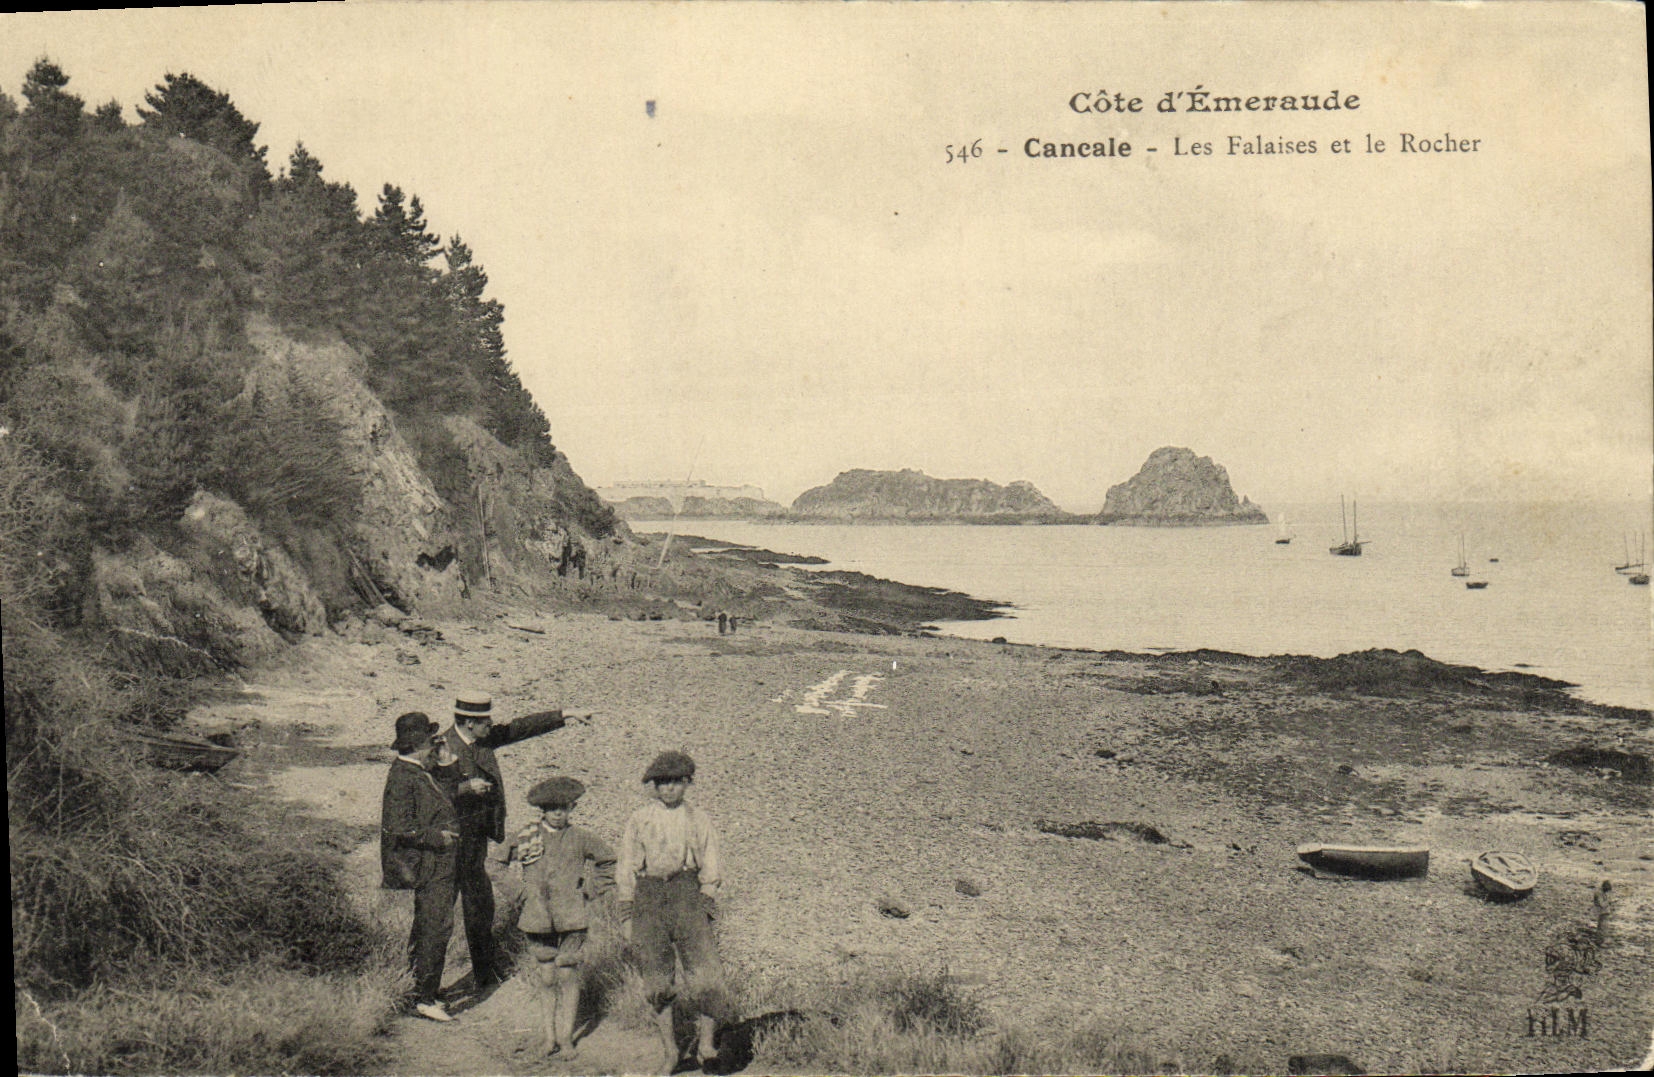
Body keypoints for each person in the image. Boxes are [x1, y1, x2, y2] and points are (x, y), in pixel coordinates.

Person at [433, 691, 591, 989]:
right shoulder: (440, 746)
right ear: (469, 723)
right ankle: (426, 986)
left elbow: (518, 728)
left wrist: (564, 714)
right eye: (485, 720)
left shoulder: (481, 739)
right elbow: (430, 793)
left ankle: (484, 974)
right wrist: (466, 788)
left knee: (480, 907)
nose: (491, 724)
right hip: (448, 844)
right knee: (441, 913)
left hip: (476, 840)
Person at [494, 776, 617, 1060]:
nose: (558, 813)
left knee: (568, 974)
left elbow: (609, 861)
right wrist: (518, 892)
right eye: (552, 808)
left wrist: (589, 889)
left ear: (572, 807)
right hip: (537, 917)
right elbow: (494, 863)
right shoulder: (526, 837)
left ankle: (566, 1038)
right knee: (547, 976)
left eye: (563, 807)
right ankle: (549, 1038)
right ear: (543, 810)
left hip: (572, 917)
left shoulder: (581, 837)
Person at [617, 750, 725, 1072]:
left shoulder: (698, 818)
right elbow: (626, 866)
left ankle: (706, 1044)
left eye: (675, 782)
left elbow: (711, 862)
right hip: (649, 897)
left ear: (687, 783)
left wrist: (706, 899)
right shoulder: (640, 819)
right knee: (656, 981)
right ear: (654, 786)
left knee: (706, 974)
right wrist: (627, 912)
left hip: (687, 893)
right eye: (661, 783)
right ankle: (671, 1052)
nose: (668, 789)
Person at [380, 712, 460, 1022]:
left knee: (432, 925)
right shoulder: (402, 777)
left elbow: (448, 797)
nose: (434, 748)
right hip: (427, 863)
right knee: (434, 927)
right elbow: (398, 826)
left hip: (436, 862)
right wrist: (437, 837)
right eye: (430, 743)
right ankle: (424, 998)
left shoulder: (417, 770)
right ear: (416, 746)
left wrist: (447, 764)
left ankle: (424, 989)